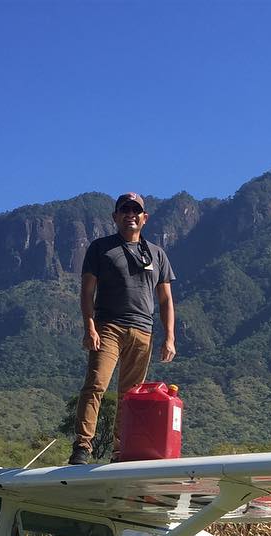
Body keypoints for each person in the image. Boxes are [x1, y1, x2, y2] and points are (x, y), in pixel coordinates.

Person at [70, 192, 176, 465]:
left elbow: (165, 299)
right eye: (124, 210)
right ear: (115, 217)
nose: (130, 214)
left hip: (143, 331)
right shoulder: (100, 248)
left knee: (131, 396)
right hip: (108, 327)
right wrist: (89, 326)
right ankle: (82, 446)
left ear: (145, 218)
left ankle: (121, 451)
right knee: (96, 384)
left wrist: (169, 337)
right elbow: (87, 291)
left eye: (135, 210)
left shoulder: (157, 253)